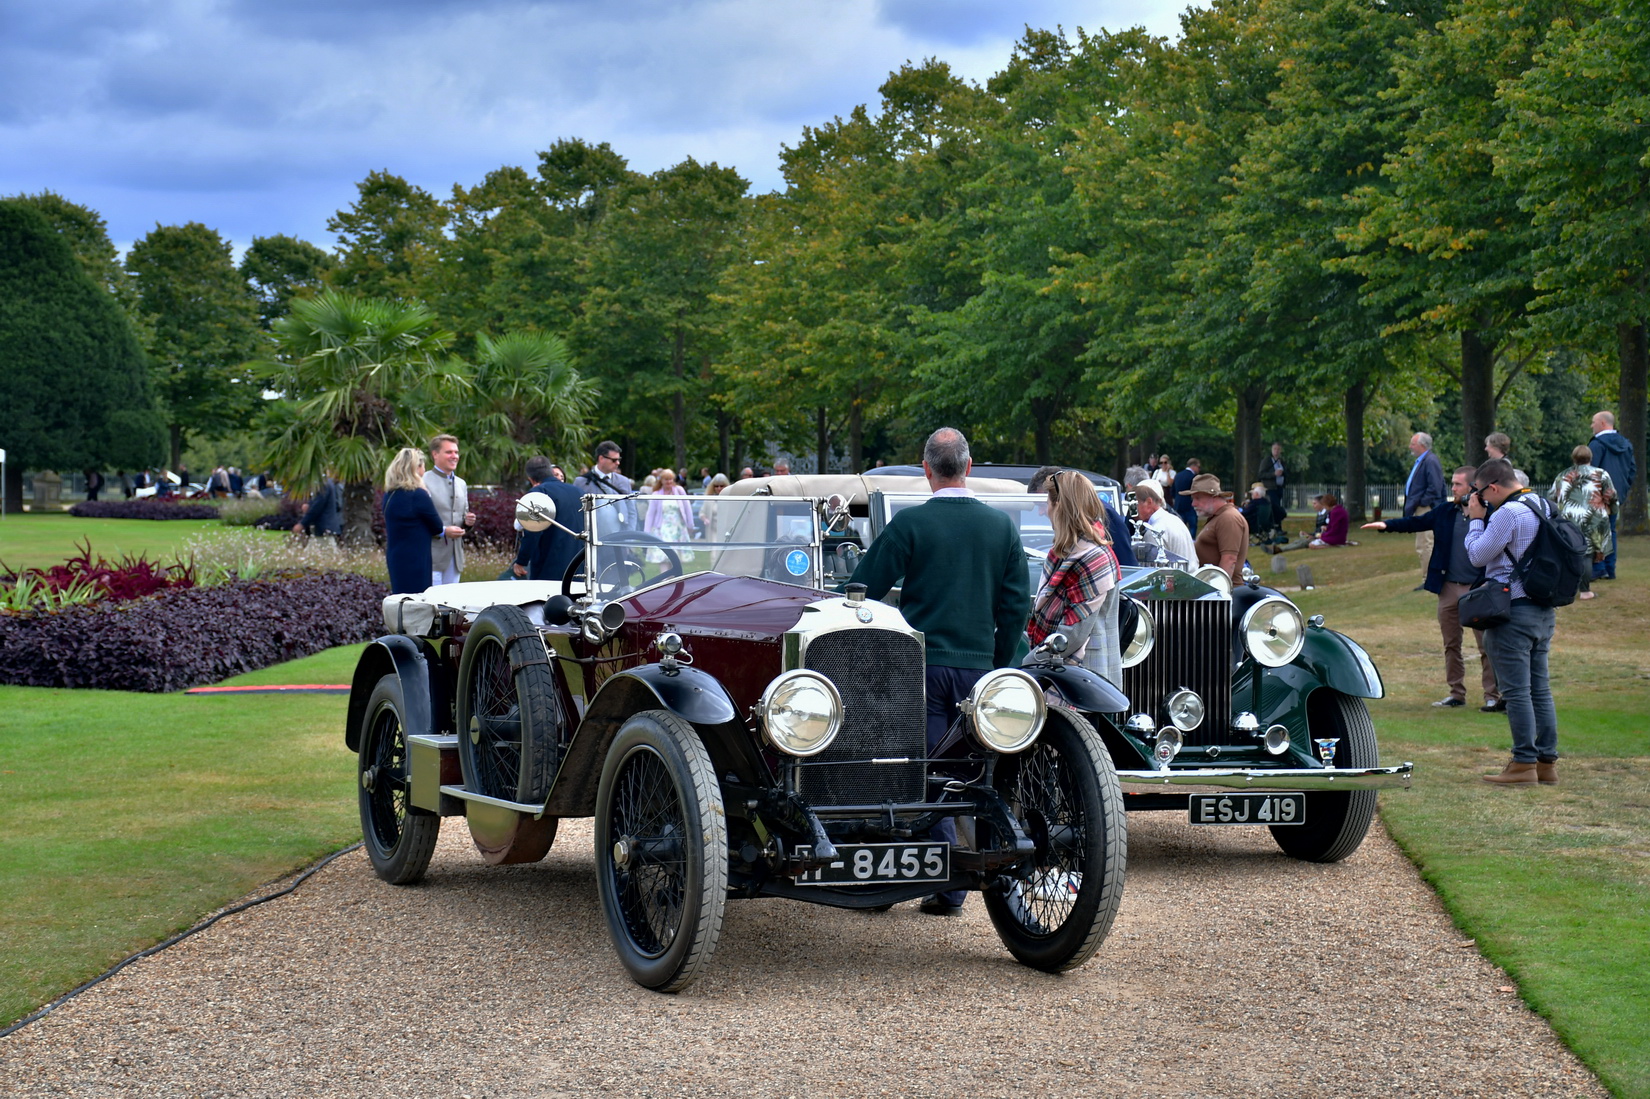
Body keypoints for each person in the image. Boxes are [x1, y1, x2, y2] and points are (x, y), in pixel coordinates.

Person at [849, 427, 1030, 917]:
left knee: (923, 772)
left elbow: (858, 589)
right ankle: (974, 871)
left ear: (925, 469)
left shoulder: (910, 526)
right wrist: (998, 664)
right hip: (981, 670)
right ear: (970, 466)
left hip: (921, 667)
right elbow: (1017, 607)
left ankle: (930, 879)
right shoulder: (1002, 528)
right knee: (979, 773)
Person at [1362, 466, 1501, 711]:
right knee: (1451, 644)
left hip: (1479, 589)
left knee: (1486, 646)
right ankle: (1456, 693)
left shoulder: (1491, 515)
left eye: (1458, 484)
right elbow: (1416, 522)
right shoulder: (1446, 512)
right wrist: (1386, 525)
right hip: (1448, 587)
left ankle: (1492, 695)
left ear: (1472, 487)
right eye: (1453, 484)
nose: (1453, 489)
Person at [1466, 458, 1560, 785]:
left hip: (1512, 610)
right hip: (1543, 609)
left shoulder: (1507, 512)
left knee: (1517, 692)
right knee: (1540, 689)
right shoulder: (1543, 505)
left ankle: (1523, 764)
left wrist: (1476, 521)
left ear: (1492, 487)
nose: (1480, 500)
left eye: (1481, 493)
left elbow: (1478, 555)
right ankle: (1546, 763)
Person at [1027, 471, 1123, 687]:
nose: (1045, 512)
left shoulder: (1093, 557)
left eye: (1048, 503)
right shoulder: (1068, 551)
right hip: (1065, 673)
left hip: (1086, 679)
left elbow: (1073, 634)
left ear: (1060, 506)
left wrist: (1026, 665)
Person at [1028, 467, 1136, 566]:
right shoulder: (1072, 525)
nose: (1040, 512)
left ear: (1059, 498)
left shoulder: (1102, 514)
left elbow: (1126, 566)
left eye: (1043, 504)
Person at [1548, 445, 1615, 601]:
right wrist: (1611, 508)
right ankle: (1585, 591)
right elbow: (1611, 495)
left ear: (1573, 458)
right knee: (1587, 554)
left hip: (1569, 519)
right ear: (1590, 458)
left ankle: (1564, 588)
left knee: (1569, 553)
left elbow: (1552, 497)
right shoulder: (1601, 474)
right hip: (1593, 518)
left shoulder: (1563, 475)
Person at [382, 447, 449, 595]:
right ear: (417, 468)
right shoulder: (418, 495)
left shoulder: (389, 494)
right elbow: (437, 527)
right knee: (417, 601)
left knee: (401, 599)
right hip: (416, 558)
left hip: (396, 555)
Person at [513, 455, 588, 582]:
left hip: (550, 565)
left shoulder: (538, 493)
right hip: (579, 563)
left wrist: (521, 561)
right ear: (550, 470)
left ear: (531, 479)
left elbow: (533, 531)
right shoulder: (579, 492)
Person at [1588, 411, 1635, 581]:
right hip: (1616, 495)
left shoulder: (1597, 445)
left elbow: (1590, 471)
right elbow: (1632, 471)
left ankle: (1599, 568)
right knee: (1611, 531)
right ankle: (1610, 568)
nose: (1591, 426)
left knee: (1596, 531)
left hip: (1597, 496)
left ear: (1602, 423)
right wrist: (1621, 490)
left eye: (1593, 422)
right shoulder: (1626, 444)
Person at [423, 433, 476, 586]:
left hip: (455, 558)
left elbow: (462, 516)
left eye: (456, 452)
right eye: (449, 452)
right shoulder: (423, 481)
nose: (455, 456)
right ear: (435, 454)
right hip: (431, 557)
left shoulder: (461, 484)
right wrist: (444, 530)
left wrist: (468, 523)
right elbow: (419, 519)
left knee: (451, 606)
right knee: (431, 606)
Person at [1181, 473, 1247, 582]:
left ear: (1214, 497)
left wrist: (1218, 592)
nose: (1193, 504)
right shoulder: (1219, 517)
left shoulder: (1228, 518)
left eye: (1197, 498)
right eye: (1193, 499)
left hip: (1223, 592)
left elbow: (1229, 560)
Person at [1403, 432, 1447, 570]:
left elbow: (1435, 486)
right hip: (1422, 507)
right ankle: (1426, 576)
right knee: (1421, 544)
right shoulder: (1424, 461)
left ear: (1422, 445)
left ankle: (1428, 578)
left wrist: (1422, 502)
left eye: (1413, 444)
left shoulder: (1430, 461)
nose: (1410, 447)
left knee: (1425, 543)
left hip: (1426, 508)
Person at [1133, 480, 1195, 562]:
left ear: (1149, 502)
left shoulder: (1154, 531)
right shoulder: (1175, 520)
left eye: (1135, 504)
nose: (1133, 511)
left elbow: (1154, 570)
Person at [1277, 493, 1348, 551]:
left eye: (1315, 503)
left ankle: (1281, 549)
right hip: (1328, 535)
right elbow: (1331, 527)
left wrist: (1320, 535)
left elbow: (1333, 529)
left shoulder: (1334, 512)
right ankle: (1280, 549)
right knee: (1299, 541)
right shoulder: (1335, 511)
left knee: (1307, 544)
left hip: (1333, 537)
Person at [644, 468, 693, 542]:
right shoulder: (656, 494)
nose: (669, 481)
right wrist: (646, 532)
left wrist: (690, 525)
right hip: (662, 528)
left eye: (670, 479)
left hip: (678, 527)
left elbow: (687, 508)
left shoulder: (679, 491)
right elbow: (650, 514)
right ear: (661, 480)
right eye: (666, 479)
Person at [292, 473, 341, 538]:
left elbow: (316, 507)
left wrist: (302, 524)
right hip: (326, 528)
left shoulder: (323, 485)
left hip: (324, 529)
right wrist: (310, 505)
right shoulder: (327, 483)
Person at [1257, 442, 1287, 536]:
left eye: (1278, 449)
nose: (1276, 451)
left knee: (1277, 506)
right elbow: (1261, 474)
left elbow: (1286, 472)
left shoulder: (1281, 461)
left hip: (1279, 488)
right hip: (1270, 488)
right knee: (1275, 507)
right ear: (1271, 450)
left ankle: (1277, 527)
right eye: (1275, 449)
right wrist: (1273, 474)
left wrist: (1283, 474)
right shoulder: (1267, 460)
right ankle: (1274, 527)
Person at [1171, 457, 1201, 536]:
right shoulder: (1194, 477)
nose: (1199, 469)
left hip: (1178, 505)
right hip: (1189, 505)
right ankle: (1191, 542)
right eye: (1198, 467)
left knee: (1180, 527)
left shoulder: (1178, 475)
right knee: (1192, 526)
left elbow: (1172, 491)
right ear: (1193, 466)